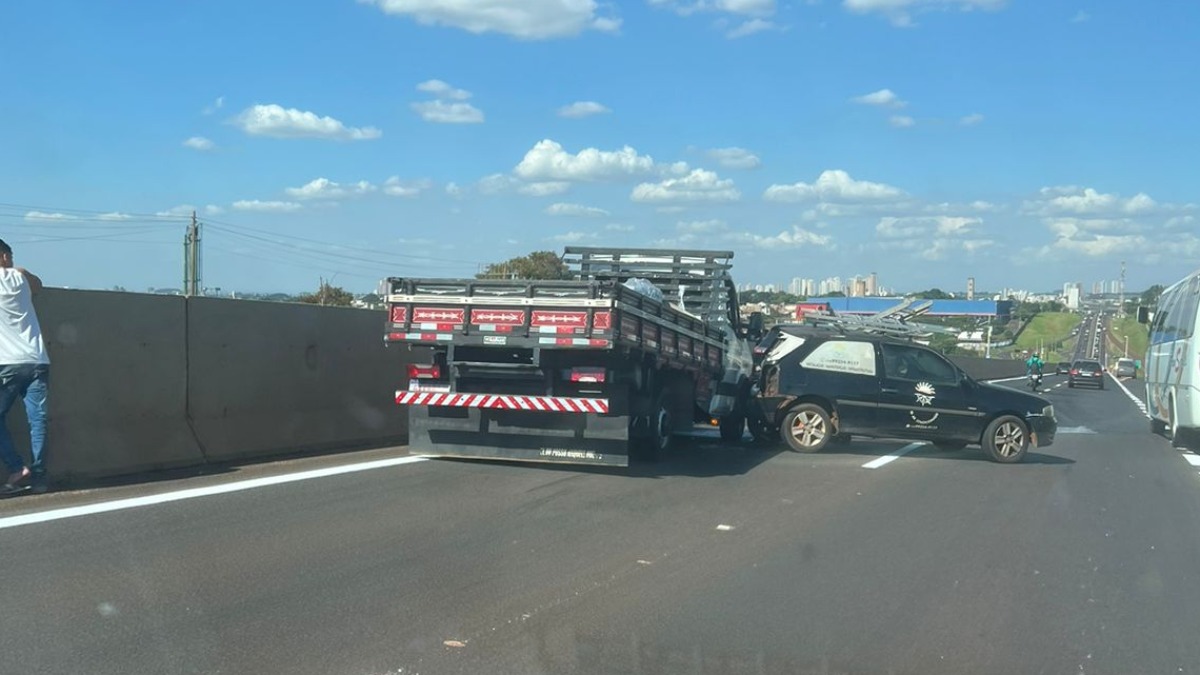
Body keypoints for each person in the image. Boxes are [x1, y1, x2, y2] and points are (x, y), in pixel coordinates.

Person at [0, 239, 49, 496]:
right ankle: (40, 478)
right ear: (5, 256)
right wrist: (22, 270)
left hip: (7, 363)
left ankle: (17, 467)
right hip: (37, 360)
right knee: (37, 421)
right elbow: (38, 285)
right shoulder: (22, 279)